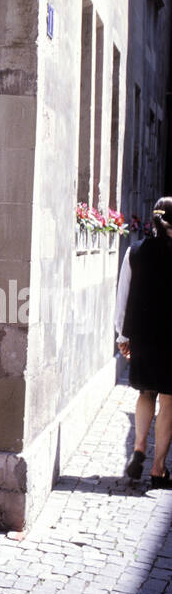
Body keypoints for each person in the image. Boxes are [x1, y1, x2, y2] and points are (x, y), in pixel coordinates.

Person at [115, 198, 172, 488]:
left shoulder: (135, 251)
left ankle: (138, 448)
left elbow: (123, 295)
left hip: (144, 336)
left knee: (145, 393)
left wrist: (123, 336)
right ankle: (158, 469)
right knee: (169, 400)